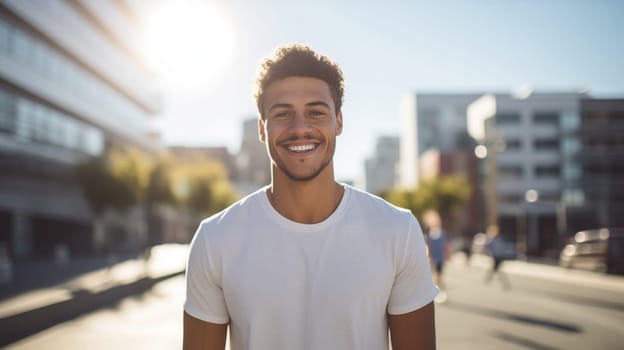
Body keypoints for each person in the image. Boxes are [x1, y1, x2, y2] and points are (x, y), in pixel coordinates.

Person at [183, 44, 438, 350]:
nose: (300, 128)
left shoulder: (397, 230)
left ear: (338, 122)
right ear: (263, 129)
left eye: (316, 112)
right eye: (282, 114)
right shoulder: (216, 239)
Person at [423, 210, 451, 303]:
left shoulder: (442, 233)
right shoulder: (430, 234)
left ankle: (441, 293)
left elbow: (445, 245)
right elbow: (429, 246)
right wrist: (429, 256)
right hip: (433, 259)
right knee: (435, 277)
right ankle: (439, 293)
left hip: (440, 259)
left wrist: (447, 255)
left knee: (438, 277)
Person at [484, 224, 511, 290]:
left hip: (500, 257)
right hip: (495, 257)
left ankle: (489, 278)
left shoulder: (501, 238)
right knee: (497, 270)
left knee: (496, 270)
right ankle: (490, 278)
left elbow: (504, 247)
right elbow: (487, 247)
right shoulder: (491, 239)